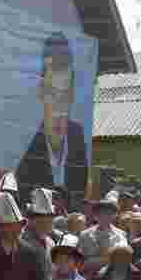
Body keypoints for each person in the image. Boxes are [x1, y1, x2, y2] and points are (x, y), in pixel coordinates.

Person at [14, 32, 89, 198]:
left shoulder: (76, 134)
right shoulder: (28, 137)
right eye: (52, 94)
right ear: (41, 93)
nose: (59, 105)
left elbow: (80, 187)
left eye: (65, 95)